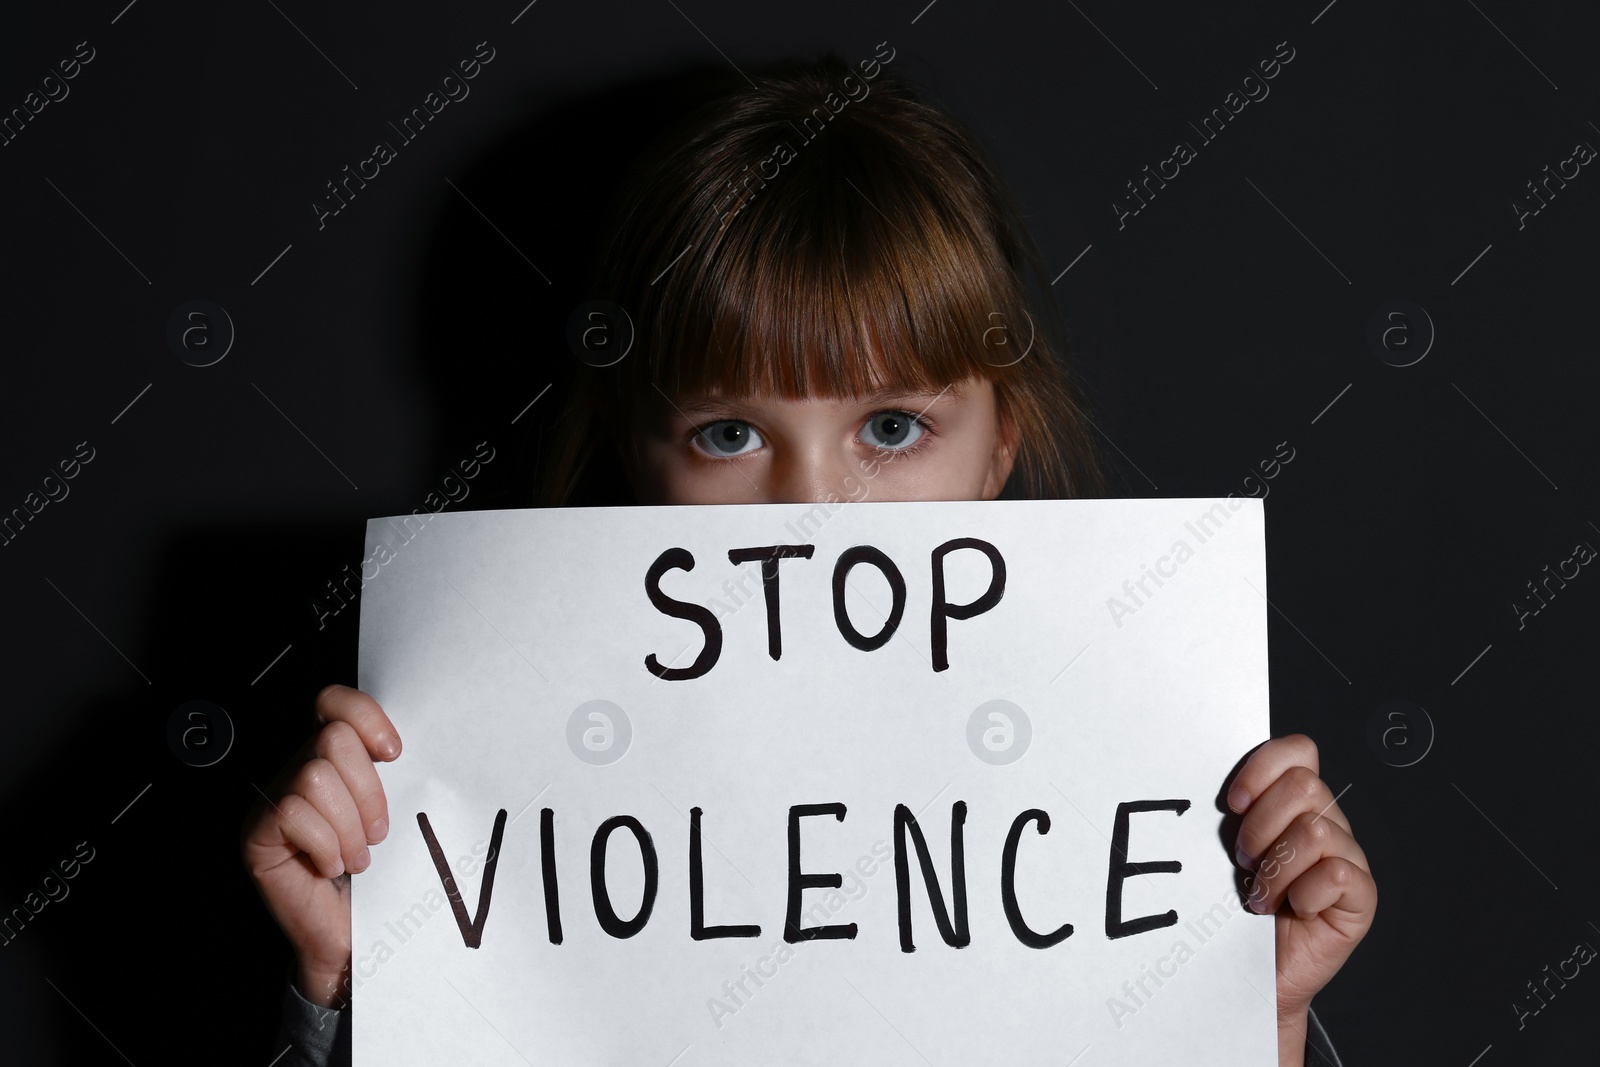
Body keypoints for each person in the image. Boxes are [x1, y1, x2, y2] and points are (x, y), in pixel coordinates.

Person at [242, 52, 1372, 1067]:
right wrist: (358, 993)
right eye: (728, 434)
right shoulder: (510, 818)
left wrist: (1246, 1020)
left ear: (1000, 452)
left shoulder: (1146, 801)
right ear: (636, 465)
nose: (811, 510)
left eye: (890, 428)